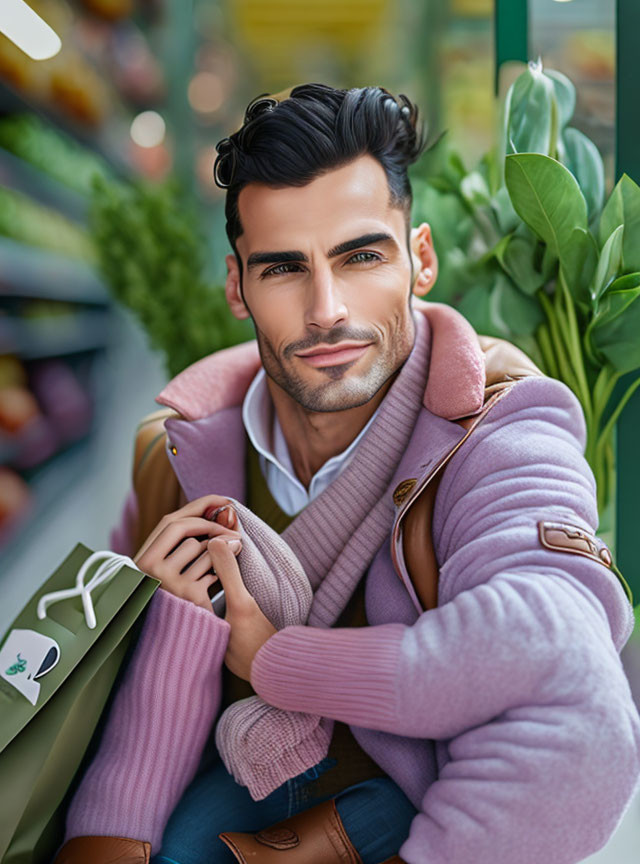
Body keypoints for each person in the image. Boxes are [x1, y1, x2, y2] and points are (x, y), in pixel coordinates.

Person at [53, 84, 640, 864]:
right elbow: (121, 718)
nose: (326, 309)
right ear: (238, 287)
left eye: (361, 256)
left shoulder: (502, 429)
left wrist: (273, 661)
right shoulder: (172, 453)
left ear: (419, 260)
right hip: (231, 780)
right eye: (284, 268)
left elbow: (575, 705)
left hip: (422, 799)